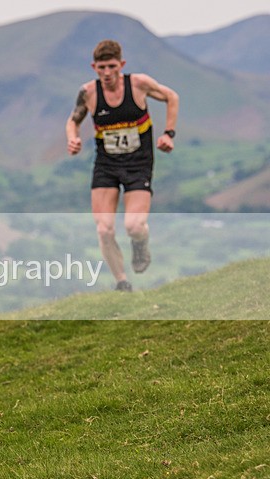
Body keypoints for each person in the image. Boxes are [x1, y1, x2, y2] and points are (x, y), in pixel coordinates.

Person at [66, 39, 179, 291]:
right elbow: (73, 121)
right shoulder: (88, 93)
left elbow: (172, 96)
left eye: (112, 67)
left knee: (134, 226)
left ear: (122, 65)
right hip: (106, 164)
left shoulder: (138, 84)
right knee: (104, 229)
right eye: (102, 68)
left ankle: (140, 245)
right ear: (94, 67)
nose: (107, 73)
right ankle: (122, 282)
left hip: (138, 164)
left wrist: (168, 133)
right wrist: (72, 138)